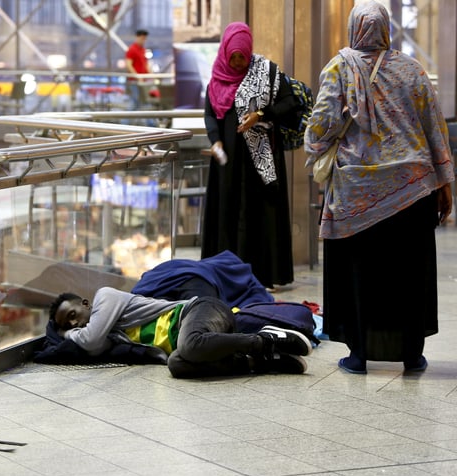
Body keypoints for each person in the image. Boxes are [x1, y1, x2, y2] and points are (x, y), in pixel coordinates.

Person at [304, 2, 454, 374]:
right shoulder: (412, 70)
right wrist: (445, 183)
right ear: (386, 28)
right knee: (407, 273)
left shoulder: (339, 68)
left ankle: (358, 355)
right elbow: (435, 128)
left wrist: (319, 144)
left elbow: (320, 129)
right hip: (412, 189)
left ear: (355, 28)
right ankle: (410, 354)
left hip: (357, 193)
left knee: (360, 273)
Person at [202, 22, 298, 291]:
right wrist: (215, 140)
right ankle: (224, 276)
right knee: (228, 213)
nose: (236, 63)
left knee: (259, 214)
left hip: (261, 158)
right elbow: (210, 113)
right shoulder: (217, 76)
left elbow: (290, 103)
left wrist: (261, 114)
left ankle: (262, 275)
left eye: (241, 57)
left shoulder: (268, 72)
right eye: (232, 57)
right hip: (228, 160)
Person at [50, 287, 312, 379]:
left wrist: (64, 335)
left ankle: (267, 340)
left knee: (188, 346)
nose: (74, 324)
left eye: (72, 315)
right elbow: (92, 346)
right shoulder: (109, 334)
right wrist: (68, 335)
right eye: (67, 325)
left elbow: (91, 339)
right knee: (177, 364)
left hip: (201, 310)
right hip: (200, 340)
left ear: (85, 303)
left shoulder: (105, 296)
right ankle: (262, 362)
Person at [125, 29, 151, 111]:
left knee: (143, 102)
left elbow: (146, 64)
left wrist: (152, 75)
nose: (144, 40)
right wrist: (137, 76)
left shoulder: (143, 50)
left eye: (145, 39)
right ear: (137, 37)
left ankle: (150, 123)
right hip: (134, 81)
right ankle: (125, 122)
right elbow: (129, 65)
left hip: (143, 81)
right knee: (135, 102)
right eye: (142, 38)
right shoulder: (132, 49)